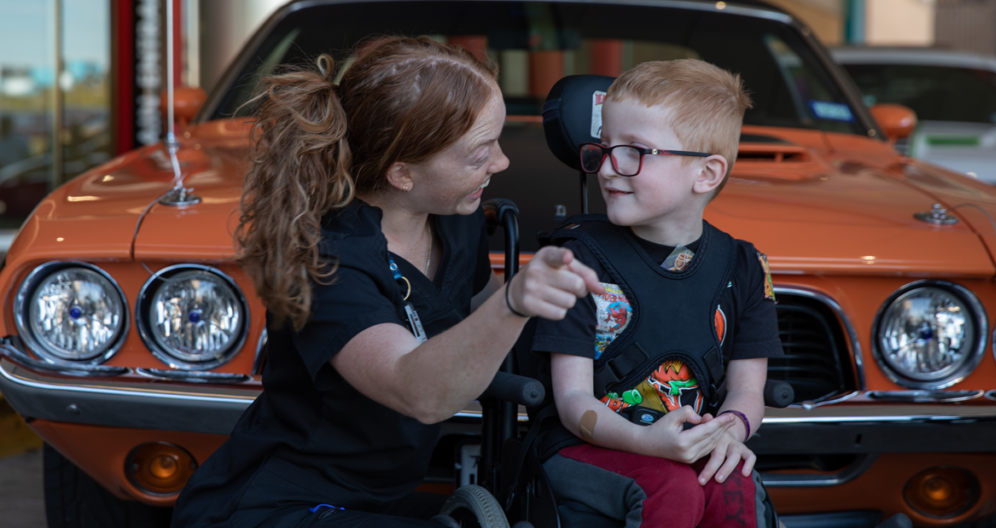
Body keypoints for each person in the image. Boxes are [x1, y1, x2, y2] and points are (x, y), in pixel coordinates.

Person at [170, 37, 602, 528]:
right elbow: (416, 390)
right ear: (402, 173)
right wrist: (514, 303)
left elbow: (492, 328)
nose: (501, 163)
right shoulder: (329, 261)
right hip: (278, 508)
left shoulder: (453, 220)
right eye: (481, 152)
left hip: (383, 499)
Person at [530, 59, 784, 527]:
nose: (608, 168)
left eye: (634, 151)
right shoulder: (577, 260)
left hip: (686, 444)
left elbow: (748, 390)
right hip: (584, 446)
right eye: (604, 148)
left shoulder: (745, 266)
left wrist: (729, 431)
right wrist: (649, 443)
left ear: (706, 174)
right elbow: (571, 404)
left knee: (734, 485)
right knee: (671, 486)